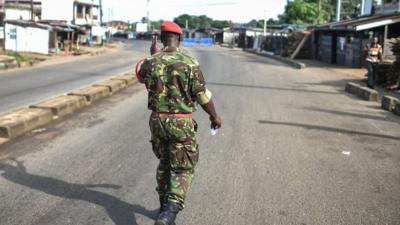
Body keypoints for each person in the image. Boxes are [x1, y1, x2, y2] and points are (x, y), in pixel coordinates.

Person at [136, 21, 222, 225]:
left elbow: (141, 75)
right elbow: (201, 95)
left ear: (160, 38)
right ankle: (169, 213)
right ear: (180, 39)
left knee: (165, 163)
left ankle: (164, 211)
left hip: (157, 121)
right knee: (182, 168)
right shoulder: (189, 63)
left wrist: (153, 54)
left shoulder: (151, 61)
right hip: (180, 122)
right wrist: (214, 116)